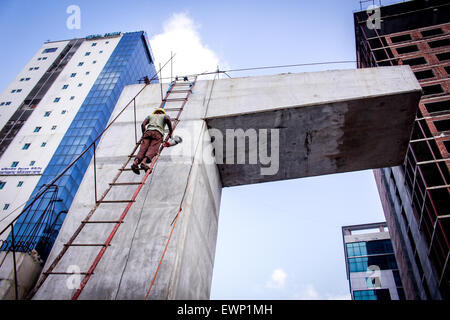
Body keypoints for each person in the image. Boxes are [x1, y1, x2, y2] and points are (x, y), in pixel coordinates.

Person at [131, 108, 173, 174]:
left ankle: (135, 162)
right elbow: (167, 118)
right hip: (158, 133)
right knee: (153, 148)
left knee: (143, 148)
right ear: (162, 113)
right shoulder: (164, 116)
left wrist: (143, 134)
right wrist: (170, 132)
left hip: (148, 132)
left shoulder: (150, 116)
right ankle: (143, 162)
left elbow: (143, 124)